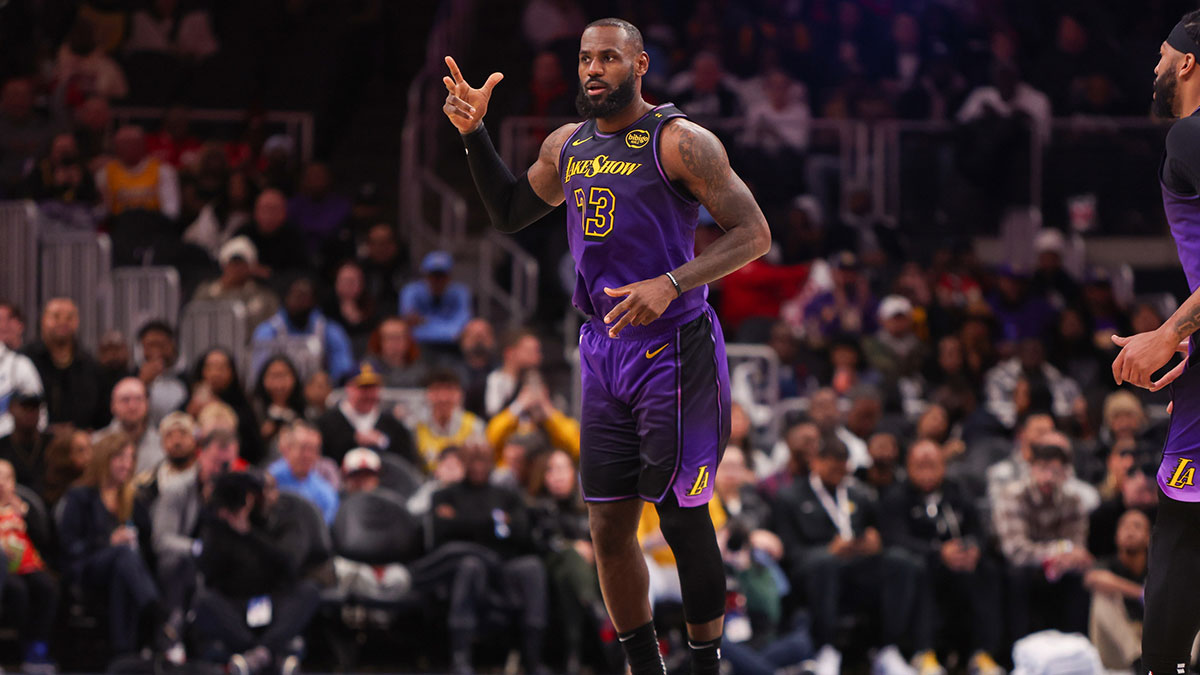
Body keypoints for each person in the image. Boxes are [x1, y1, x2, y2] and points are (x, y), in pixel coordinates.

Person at [443, 16, 772, 674]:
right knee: (607, 530)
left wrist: (672, 282)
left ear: (640, 65)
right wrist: (475, 133)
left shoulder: (681, 142)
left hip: (673, 345)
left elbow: (754, 233)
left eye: (609, 59)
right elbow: (509, 212)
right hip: (601, 349)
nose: (593, 69)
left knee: (681, 516)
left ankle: (706, 666)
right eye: (586, 59)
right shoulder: (568, 144)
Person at [1107, 13, 1200, 673]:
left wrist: (1168, 333)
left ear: (1189, 63)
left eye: (1164, 55)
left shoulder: (1192, 137)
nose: (1157, 68)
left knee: (1184, 524)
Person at [771, 438, 931, 675]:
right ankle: (826, 649)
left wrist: (874, 542)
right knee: (824, 563)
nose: (838, 473)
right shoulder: (790, 497)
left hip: (856, 566)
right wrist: (828, 550)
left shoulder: (859, 494)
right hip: (812, 571)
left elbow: (878, 533)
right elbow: (789, 552)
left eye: (842, 468)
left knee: (902, 563)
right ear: (815, 463)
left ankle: (889, 648)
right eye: (832, 467)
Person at [878, 440, 1004, 675]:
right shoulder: (896, 496)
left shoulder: (956, 491)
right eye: (920, 466)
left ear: (943, 467)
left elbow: (978, 529)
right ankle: (924, 653)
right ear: (908, 467)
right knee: (919, 568)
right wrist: (937, 552)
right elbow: (894, 538)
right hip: (923, 564)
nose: (926, 473)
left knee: (988, 569)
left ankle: (982, 653)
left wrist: (974, 548)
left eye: (932, 466)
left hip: (958, 564)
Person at [57, 433, 167, 662]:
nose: (126, 464)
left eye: (130, 458)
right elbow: (70, 546)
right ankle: (156, 611)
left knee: (123, 565)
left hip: (123, 571)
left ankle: (123, 653)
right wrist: (108, 541)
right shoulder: (80, 496)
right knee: (122, 554)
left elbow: (147, 543)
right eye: (120, 457)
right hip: (87, 567)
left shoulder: (133, 499)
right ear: (104, 458)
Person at [194, 471, 318, 675]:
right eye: (256, 493)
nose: (264, 497)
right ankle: (267, 655)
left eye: (269, 490)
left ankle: (258, 654)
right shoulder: (217, 526)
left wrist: (249, 533)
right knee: (202, 600)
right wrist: (221, 525)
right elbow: (207, 572)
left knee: (309, 591)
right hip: (235, 605)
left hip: (272, 601)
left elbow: (289, 565)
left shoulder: (286, 520)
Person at [992, 435, 1092, 638]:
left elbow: (1077, 548)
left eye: (1055, 471)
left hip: (1058, 567)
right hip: (1020, 567)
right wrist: (1059, 551)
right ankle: (1018, 652)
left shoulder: (1073, 500)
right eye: (1042, 469)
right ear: (1031, 469)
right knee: (1019, 576)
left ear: (1065, 474)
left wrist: (1068, 556)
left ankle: (1075, 648)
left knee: (1080, 577)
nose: (1048, 477)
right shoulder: (1013, 495)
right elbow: (1016, 551)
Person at [0, 458, 58, 672]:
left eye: (6, 477)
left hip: (28, 566)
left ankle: (38, 648)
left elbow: (44, 539)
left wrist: (25, 515)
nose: (1, 483)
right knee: (18, 591)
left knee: (47, 586)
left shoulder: (25, 505)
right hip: (4, 571)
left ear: (14, 482)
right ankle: (23, 645)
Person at [250, 276, 355, 384]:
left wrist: (328, 384)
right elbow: (259, 375)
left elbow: (343, 373)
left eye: (305, 297)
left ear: (314, 301)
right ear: (286, 298)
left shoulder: (330, 330)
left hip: (319, 394)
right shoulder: (267, 331)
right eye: (296, 296)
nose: (299, 301)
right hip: (279, 391)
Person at [22, 298, 106, 429]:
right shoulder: (24, 361)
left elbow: (100, 412)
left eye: (69, 317)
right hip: (33, 442)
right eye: (56, 316)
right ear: (43, 320)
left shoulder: (90, 365)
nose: (62, 322)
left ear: (77, 322)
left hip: (80, 442)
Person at [1085, 509, 1151, 671]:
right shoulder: (1108, 563)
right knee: (1103, 594)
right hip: (1117, 652)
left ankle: (1187, 664)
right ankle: (1138, 661)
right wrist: (1141, 593)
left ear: (1149, 537)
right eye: (1124, 527)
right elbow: (1093, 578)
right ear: (1116, 536)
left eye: (1136, 526)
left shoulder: (1158, 567)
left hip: (1153, 642)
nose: (1129, 531)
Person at [315, 362, 418, 466]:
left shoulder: (393, 426)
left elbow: (407, 463)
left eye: (373, 388)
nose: (369, 394)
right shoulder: (326, 423)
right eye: (363, 388)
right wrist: (353, 441)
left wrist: (383, 442)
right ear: (349, 388)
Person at [191, 237, 281, 332]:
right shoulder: (207, 291)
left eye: (241, 264)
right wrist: (224, 286)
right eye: (233, 263)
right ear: (224, 265)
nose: (237, 269)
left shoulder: (262, 296)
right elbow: (195, 318)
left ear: (250, 267)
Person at [399, 251, 473, 352]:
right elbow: (410, 321)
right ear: (425, 275)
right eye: (433, 275)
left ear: (449, 276)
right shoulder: (411, 291)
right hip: (419, 345)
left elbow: (462, 322)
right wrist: (448, 331)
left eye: (441, 275)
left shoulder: (460, 292)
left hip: (453, 346)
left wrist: (426, 323)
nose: (437, 280)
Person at [268, 421, 338, 525]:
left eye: (313, 450)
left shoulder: (325, 492)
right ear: (288, 449)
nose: (307, 455)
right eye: (303, 448)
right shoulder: (271, 478)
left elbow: (325, 529)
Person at [92, 377, 164, 474]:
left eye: (138, 399)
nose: (132, 406)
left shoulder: (162, 445)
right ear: (113, 405)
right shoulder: (96, 443)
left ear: (147, 404)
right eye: (125, 400)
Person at [135, 320, 188, 428]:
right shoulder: (131, 378)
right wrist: (142, 384)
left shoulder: (187, 379)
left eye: (161, 345)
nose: (156, 351)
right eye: (150, 345)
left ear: (173, 346)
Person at [0, 391, 51, 493]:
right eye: (25, 407)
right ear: (11, 409)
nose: (30, 413)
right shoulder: (2, 447)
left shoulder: (52, 443)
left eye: (34, 408)